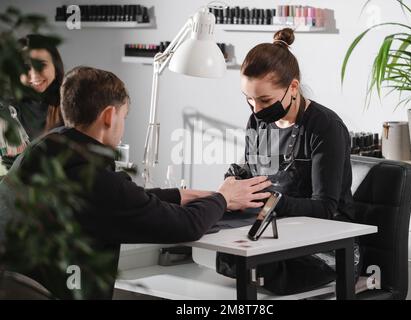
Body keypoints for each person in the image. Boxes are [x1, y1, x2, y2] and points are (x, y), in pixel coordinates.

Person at [0, 66, 272, 299]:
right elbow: (185, 227)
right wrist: (223, 197)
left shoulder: (46, 148)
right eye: (124, 116)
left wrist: (176, 195)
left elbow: (111, 200)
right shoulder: (95, 179)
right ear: (109, 115)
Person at [222, 28, 359, 295]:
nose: (256, 110)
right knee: (228, 259)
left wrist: (275, 203)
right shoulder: (258, 121)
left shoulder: (325, 127)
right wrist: (236, 180)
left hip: (330, 246)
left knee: (263, 271)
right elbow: (252, 169)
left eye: (265, 100)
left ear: (293, 87)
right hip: (277, 234)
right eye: (249, 100)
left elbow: (326, 208)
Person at [0, 34, 64, 167]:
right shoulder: (4, 111)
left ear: (56, 68)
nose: (34, 75)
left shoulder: (72, 106)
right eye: (26, 67)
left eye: (41, 65)